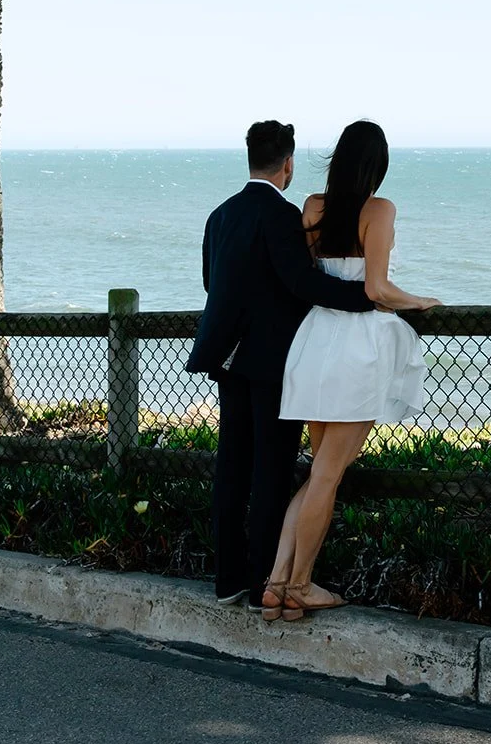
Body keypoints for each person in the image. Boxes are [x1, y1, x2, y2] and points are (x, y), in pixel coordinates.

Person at [187, 121, 374, 610]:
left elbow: (212, 282)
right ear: (288, 164)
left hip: (226, 359)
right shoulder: (282, 214)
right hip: (274, 364)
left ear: (250, 159)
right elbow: (301, 282)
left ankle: (227, 580)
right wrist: (368, 297)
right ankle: (260, 584)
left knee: (231, 467)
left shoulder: (219, 215)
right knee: (271, 471)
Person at [263, 120, 440, 621]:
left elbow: (319, 276)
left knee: (319, 474)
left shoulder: (313, 206)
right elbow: (376, 289)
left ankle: (278, 584)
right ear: (377, 167)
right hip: (357, 348)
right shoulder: (379, 210)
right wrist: (419, 300)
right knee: (326, 476)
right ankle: (298, 583)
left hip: (315, 341)